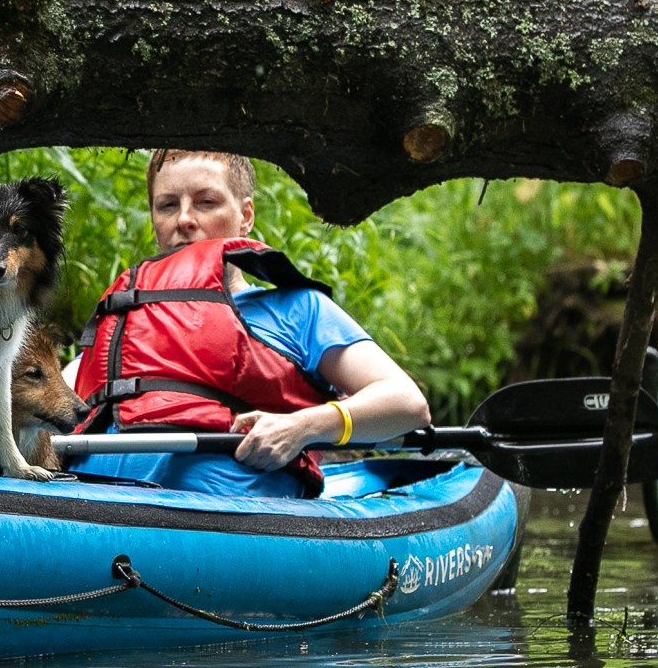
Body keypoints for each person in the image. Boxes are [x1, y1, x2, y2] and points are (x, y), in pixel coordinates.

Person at [65, 151, 431, 497]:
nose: (185, 219)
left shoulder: (298, 309)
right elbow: (51, 398)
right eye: (168, 205)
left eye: (206, 202)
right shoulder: (124, 312)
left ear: (246, 215)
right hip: (94, 512)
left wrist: (304, 426)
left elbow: (407, 403)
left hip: (229, 526)